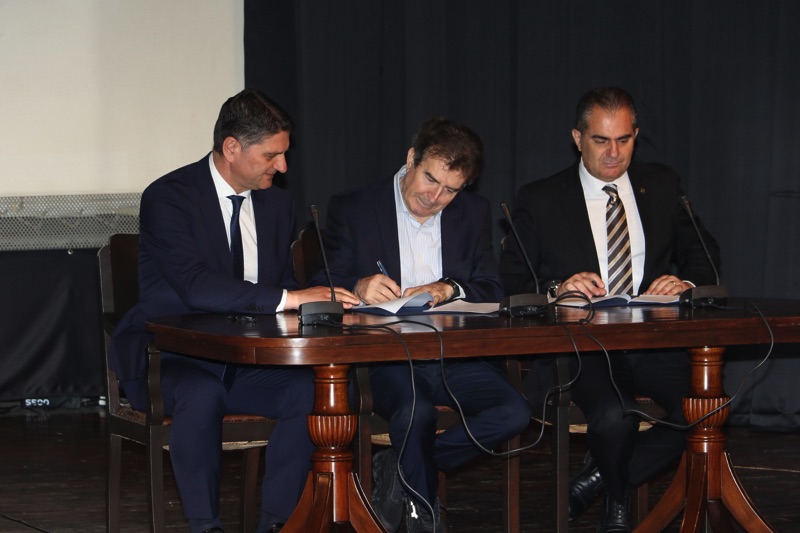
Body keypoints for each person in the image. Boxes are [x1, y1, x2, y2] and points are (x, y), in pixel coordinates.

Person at [110, 88, 359, 533]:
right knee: (202, 395)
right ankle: (206, 527)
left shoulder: (276, 203)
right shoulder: (169, 197)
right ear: (231, 147)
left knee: (313, 392)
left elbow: (282, 285)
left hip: (247, 360)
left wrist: (328, 302)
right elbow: (195, 285)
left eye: (284, 154)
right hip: (171, 357)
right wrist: (290, 299)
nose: (282, 167)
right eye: (271, 155)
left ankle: (280, 524)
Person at [500, 87, 720, 532]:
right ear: (577, 138)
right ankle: (617, 502)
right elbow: (511, 281)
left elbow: (705, 255)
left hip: (650, 339)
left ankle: (600, 478)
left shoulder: (662, 184)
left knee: (707, 407)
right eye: (601, 141)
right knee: (614, 416)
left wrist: (686, 284)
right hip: (581, 345)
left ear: (636, 136)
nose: (614, 153)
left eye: (624, 140)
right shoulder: (541, 198)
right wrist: (558, 289)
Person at [313, 116, 531, 533]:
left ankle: (400, 466)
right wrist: (358, 286)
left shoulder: (472, 212)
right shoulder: (355, 207)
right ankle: (424, 517)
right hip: (386, 357)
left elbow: (492, 286)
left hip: (453, 355)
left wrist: (449, 287)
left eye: (450, 189)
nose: (434, 197)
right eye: (430, 179)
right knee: (416, 411)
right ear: (411, 159)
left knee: (514, 412)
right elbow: (321, 281)